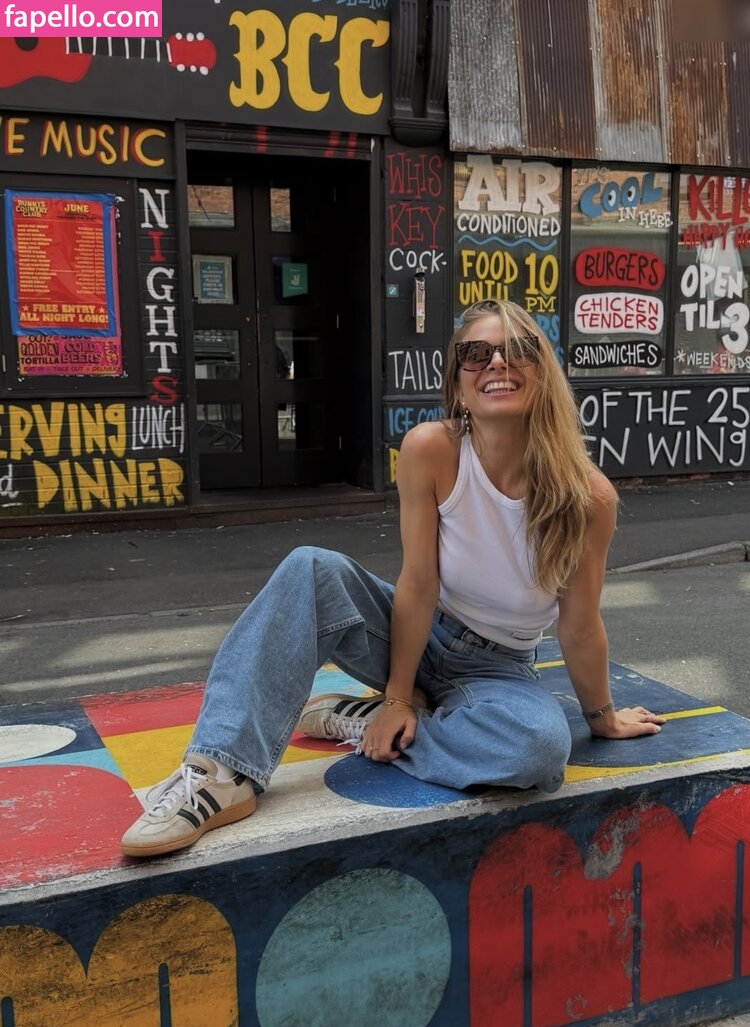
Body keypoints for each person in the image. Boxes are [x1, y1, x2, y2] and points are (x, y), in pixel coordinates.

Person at [121, 299, 664, 858]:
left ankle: (369, 724)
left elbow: (579, 627)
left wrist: (602, 719)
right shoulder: (431, 450)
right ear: (458, 382)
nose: (498, 364)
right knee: (310, 568)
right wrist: (399, 696)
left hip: (497, 668)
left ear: (543, 373)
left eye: (518, 350)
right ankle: (220, 772)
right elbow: (418, 583)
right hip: (414, 633)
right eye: (477, 354)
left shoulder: (587, 496)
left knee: (539, 751)